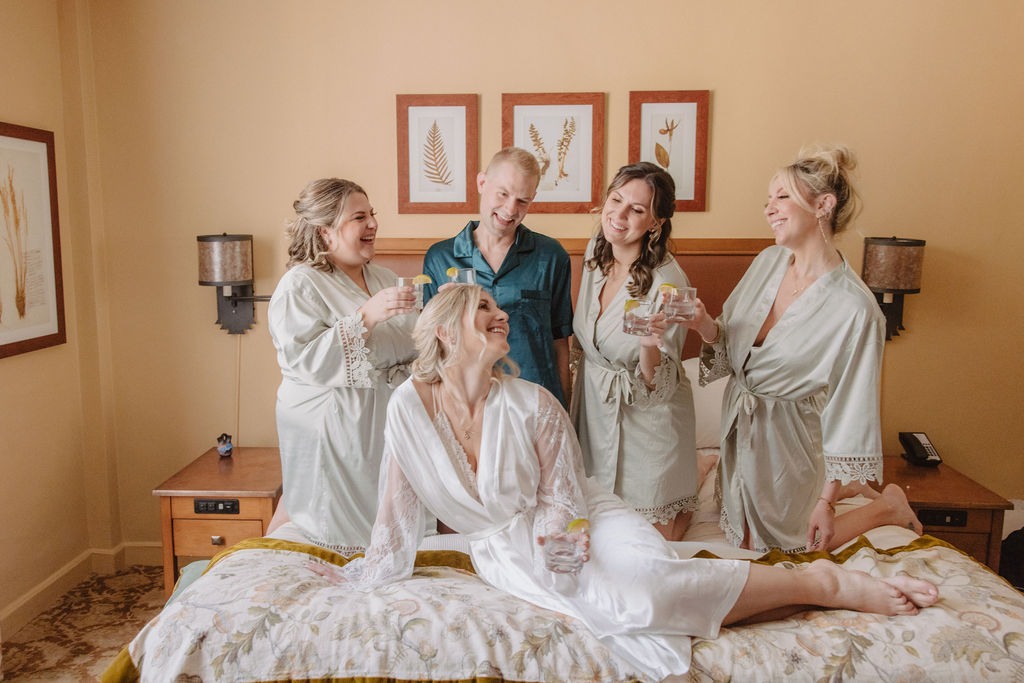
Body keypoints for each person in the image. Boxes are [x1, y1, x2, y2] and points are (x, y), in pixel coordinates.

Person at [328, 285, 937, 681]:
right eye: (483, 308)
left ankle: (822, 580)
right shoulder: (408, 406)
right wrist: (369, 572)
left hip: (584, 524)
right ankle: (805, 583)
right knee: (630, 603)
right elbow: (396, 502)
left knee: (639, 588)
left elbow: (565, 504)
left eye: (499, 306)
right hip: (504, 549)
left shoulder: (534, 404)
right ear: (442, 329)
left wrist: (568, 568)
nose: (501, 314)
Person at [685, 145, 923, 553]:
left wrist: (826, 503)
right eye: (768, 199)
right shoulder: (767, 262)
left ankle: (888, 507)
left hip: (792, 442)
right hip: (740, 431)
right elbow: (728, 342)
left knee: (787, 547)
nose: (769, 209)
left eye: (781, 197)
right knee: (739, 537)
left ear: (823, 205)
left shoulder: (856, 310)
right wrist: (702, 322)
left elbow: (850, 412)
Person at [265, 178, 418, 555]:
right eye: (359, 217)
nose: (372, 225)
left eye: (372, 215)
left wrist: (443, 317)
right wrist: (365, 316)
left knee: (386, 526)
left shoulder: (381, 277)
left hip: (385, 422)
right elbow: (304, 360)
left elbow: (413, 344)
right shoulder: (300, 285)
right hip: (332, 428)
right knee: (338, 532)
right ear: (325, 231)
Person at [570, 162, 697, 541]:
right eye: (616, 199)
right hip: (594, 407)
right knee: (595, 531)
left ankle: (697, 470)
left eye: (637, 210)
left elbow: (658, 385)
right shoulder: (597, 250)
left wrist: (647, 347)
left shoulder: (672, 285)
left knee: (651, 543)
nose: (619, 215)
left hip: (650, 419)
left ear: (656, 223)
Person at [421, 147, 573, 406]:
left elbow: (561, 342)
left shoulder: (552, 256)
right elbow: (432, 345)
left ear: (533, 199)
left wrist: (564, 408)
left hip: (536, 401)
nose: (510, 209)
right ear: (482, 182)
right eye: (503, 193)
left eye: (523, 200)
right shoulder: (439, 257)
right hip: (466, 402)